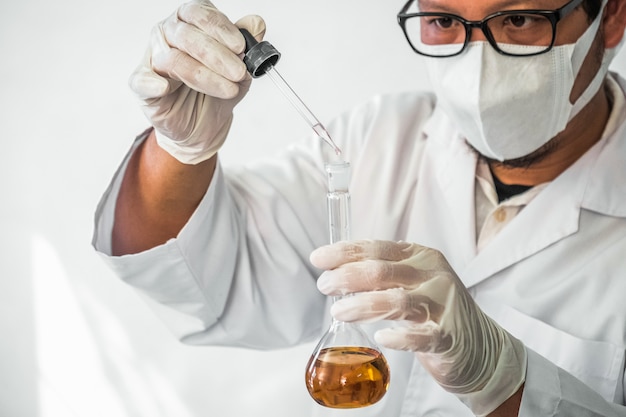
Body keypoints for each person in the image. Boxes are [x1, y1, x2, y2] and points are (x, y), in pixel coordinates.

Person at [92, 0, 626, 415]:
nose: (478, 63)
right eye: (443, 19)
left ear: (610, 18)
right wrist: (181, 151)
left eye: (519, 19)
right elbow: (202, 275)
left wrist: (508, 383)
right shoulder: (378, 137)